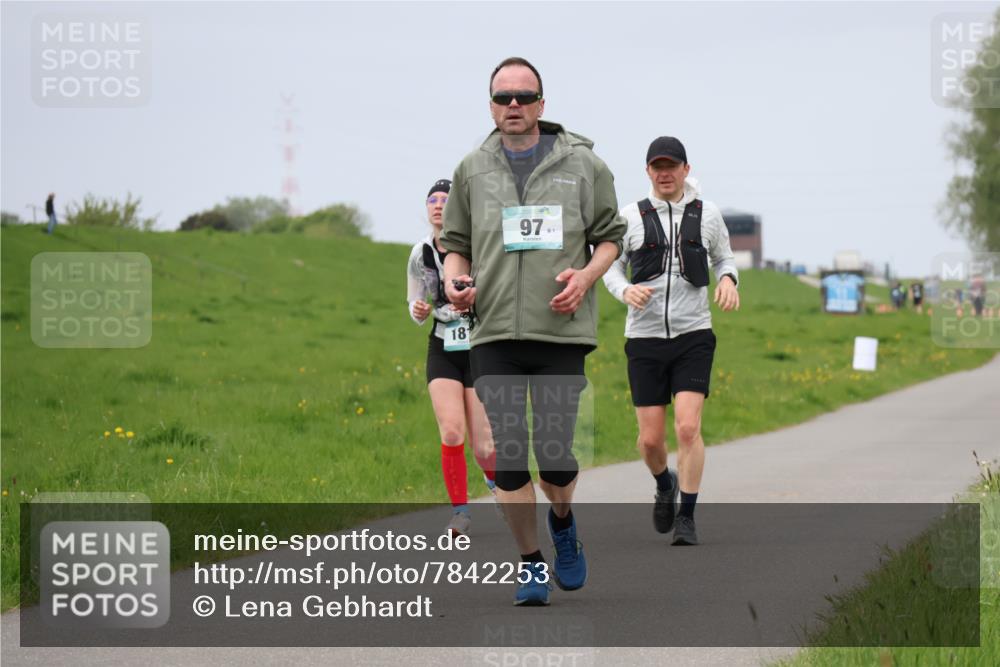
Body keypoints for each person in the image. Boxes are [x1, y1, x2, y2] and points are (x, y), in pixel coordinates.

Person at [440, 57, 626, 606]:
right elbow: (455, 243)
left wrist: (589, 275)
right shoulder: (472, 168)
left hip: (559, 328)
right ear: (491, 106)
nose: (513, 106)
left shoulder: (585, 164)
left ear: (543, 103)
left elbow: (611, 236)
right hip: (494, 329)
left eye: (524, 97)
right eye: (503, 98)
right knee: (507, 454)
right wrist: (455, 283)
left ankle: (563, 524)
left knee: (556, 453)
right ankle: (530, 563)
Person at [604, 136, 739, 546]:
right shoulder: (629, 216)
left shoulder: (708, 213)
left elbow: (724, 257)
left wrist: (729, 279)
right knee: (649, 441)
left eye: (672, 166)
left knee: (687, 427)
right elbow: (610, 268)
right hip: (644, 339)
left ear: (686, 169)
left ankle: (687, 516)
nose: (665, 173)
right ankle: (665, 483)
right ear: (648, 171)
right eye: (657, 167)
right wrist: (625, 291)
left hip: (693, 335)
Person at [406, 178, 498, 537]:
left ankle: (497, 487)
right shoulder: (420, 253)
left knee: (483, 442)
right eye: (432, 199)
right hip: (442, 345)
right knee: (451, 430)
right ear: (426, 207)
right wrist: (418, 309)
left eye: (446, 199)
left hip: (477, 345)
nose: (439, 204)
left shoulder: (474, 246)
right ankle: (460, 512)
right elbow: (415, 309)